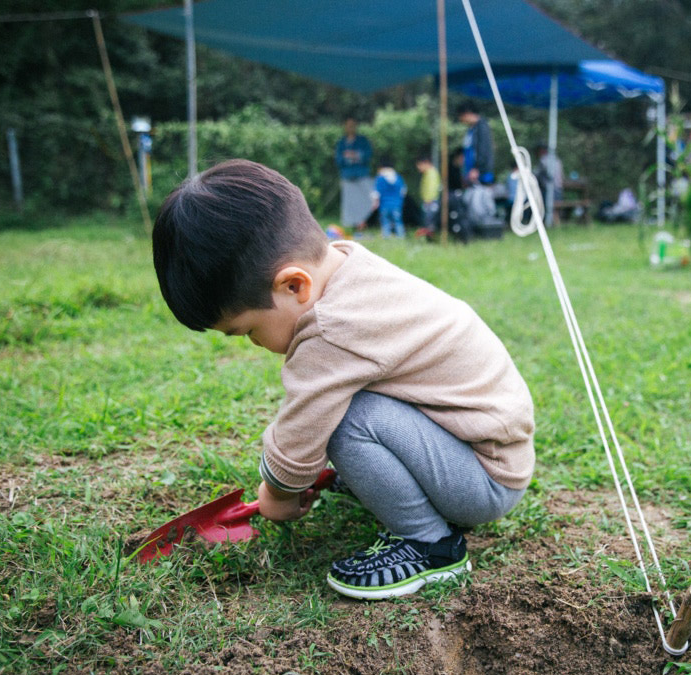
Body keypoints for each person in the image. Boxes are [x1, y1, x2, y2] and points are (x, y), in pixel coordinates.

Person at [151, 160, 534, 600]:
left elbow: (301, 429)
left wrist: (277, 492)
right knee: (347, 409)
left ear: (295, 286)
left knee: (345, 418)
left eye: (247, 331)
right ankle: (400, 490)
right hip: (480, 450)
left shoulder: (333, 328)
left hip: (483, 479)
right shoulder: (348, 264)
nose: (253, 344)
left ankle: (433, 547)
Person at [334, 116, 374, 230]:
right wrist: (347, 157)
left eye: (353, 125)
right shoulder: (341, 142)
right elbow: (338, 159)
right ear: (345, 127)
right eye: (348, 125)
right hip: (347, 175)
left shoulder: (363, 140)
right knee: (350, 202)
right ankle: (351, 224)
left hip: (362, 175)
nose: (350, 127)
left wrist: (356, 155)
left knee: (365, 200)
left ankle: (364, 223)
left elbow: (368, 156)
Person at [457, 102, 494, 186]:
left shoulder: (482, 127)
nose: (461, 120)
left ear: (467, 114)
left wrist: (477, 168)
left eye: (461, 117)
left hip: (480, 174)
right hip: (471, 174)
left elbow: (484, 150)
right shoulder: (472, 129)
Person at [371, 158, 407, 238]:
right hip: (397, 204)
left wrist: (374, 203)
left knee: (385, 222)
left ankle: (386, 237)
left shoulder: (380, 179)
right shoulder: (398, 178)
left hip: (384, 205)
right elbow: (403, 192)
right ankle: (400, 237)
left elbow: (376, 194)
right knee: (398, 222)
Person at [534, 143, 564, 223]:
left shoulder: (543, 160)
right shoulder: (557, 160)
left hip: (551, 190)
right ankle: (555, 221)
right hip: (558, 188)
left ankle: (546, 221)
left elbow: (537, 174)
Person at [415, 154, 441, 231]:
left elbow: (432, 187)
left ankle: (430, 236)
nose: (418, 167)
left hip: (430, 201)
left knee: (429, 220)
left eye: (419, 165)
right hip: (428, 200)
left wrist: (429, 199)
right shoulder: (428, 173)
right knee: (427, 220)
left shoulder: (431, 173)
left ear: (426, 163)